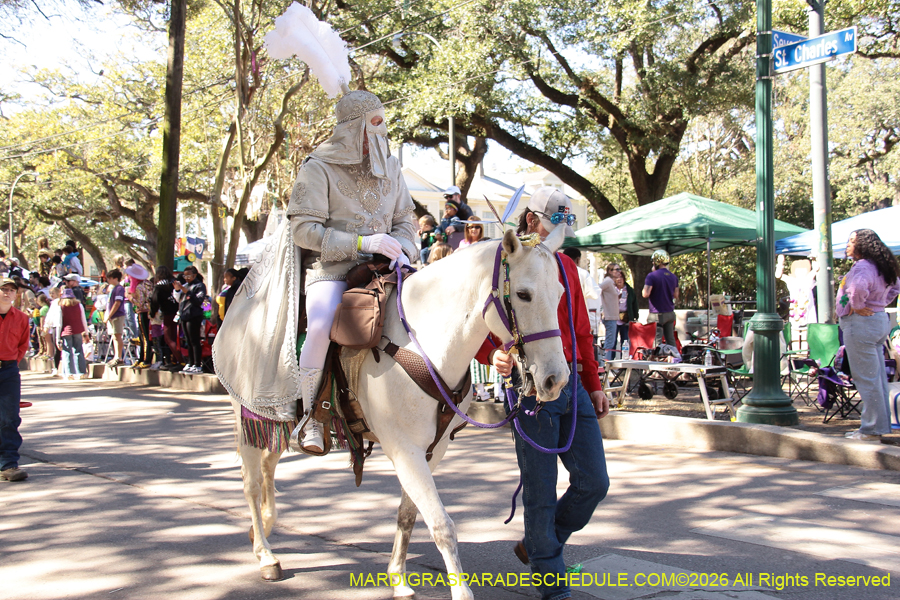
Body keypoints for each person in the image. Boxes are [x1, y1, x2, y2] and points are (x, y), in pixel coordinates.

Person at [214, 88, 418, 455]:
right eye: (374, 123)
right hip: (333, 268)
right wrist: (363, 243)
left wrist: (403, 246)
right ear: (354, 126)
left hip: (389, 266)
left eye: (383, 121)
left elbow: (406, 218)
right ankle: (313, 416)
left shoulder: (392, 166)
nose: (382, 131)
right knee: (323, 322)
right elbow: (304, 231)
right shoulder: (318, 167)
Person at [477, 187, 609, 600]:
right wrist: (495, 355)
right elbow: (480, 323)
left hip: (571, 382)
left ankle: (538, 543)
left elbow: (583, 332)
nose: (557, 234)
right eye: (553, 224)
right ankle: (552, 582)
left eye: (563, 228)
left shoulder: (566, 266)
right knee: (540, 488)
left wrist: (595, 384)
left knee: (594, 482)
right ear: (531, 220)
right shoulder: (500, 263)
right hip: (528, 386)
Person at [836, 229, 900, 441]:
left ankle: (871, 430)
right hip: (878, 322)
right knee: (877, 377)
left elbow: (857, 288)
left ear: (863, 245)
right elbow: (895, 287)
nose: (848, 245)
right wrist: (879, 304)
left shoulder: (863, 266)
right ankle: (878, 426)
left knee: (866, 379)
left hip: (860, 324)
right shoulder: (881, 266)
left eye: (852, 241)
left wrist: (858, 305)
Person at [0, 276, 31, 482]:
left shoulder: (21, 318)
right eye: (3, 289)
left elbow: (23, 344)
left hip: (8, 370)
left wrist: (11, 363)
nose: (7, 293)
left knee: (9, 418)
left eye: (11, 290)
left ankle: (8, 464)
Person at [561, 248, 601, 363]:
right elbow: (594, 293)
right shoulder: (582, 273)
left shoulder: (555, 269)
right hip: (579, 318)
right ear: (578, 260)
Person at [173, 265, 208, 374]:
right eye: (185, 276)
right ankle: (190, 362)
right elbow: (179, 300)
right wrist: (178, 290)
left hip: (194, 315)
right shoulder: (186, 285)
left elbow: (199, 300)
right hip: (184, 315)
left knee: (194, 340)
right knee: (188, 340)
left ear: (195, 275)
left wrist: (187, 291)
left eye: (189, 275)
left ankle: (197, 364)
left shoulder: (199, 286)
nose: (186, 278)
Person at [642, 249, 679, 346]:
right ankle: (674, 358)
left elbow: (645, 294)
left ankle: (657, 360)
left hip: (656, 314)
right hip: (670, 312)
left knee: (656, 341)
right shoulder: (673, 277)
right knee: (670, 340)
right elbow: (676, 295)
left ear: (657, 262)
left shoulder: (652, 276)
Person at [150, 265, 182, 370]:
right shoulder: (175, 282)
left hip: (168, 314)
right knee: (178, 337)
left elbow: (154, 301)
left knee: (169, 338)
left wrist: (152, 313)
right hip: (180, 311)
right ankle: (175, 360)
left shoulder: (158, 286)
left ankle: (181, 360)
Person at [56, 288, 89, 380]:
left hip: (66, 331)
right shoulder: (79, 305)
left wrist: (57, 338)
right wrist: (86, 332)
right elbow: (83, 320)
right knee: (79, 350)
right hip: (78, 330)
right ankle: (81, 372)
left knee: (67, 352)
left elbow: (59, 323)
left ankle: (69, 373)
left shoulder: (61, 306)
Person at [126, 263, 154, 368]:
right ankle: (142, 357)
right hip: (150, 312)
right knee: (144, 336)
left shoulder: (139, 286)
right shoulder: (148, 284)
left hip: (143, 312)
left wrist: (129, 297)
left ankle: (146, 359)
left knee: (144, 337)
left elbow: (140, 302)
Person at [598, 263, 621, 365]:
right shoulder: (608, 281)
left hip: (613, 315)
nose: (619, 271)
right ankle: (605, 364)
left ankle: (606, 363)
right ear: (610, 271)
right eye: (616, 269)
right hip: (609, 315)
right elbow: (597, 288)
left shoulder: (612, 282)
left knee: (611, 341)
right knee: (610, 342)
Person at [104, 269, 127, 367]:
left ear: (115, 278)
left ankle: (119, 357)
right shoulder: (113, 289)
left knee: (117, 336)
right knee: (114, 336)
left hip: (117, 315)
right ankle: (116, 356)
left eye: (110, 278)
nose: (108, 280)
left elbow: (117, 303)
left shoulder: (119, 289)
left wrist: (109, 315)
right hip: (113, 316)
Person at [614, 271, 638, 356]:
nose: (619, 280)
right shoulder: (612, 289)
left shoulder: (629, 290)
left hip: (625, 319)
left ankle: (623, 360)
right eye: (617, 278)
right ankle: (610, 361)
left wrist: (635, 317)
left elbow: (634, 304)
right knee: (613, 341)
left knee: (625, 341)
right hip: (614, 319)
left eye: (621, 277)